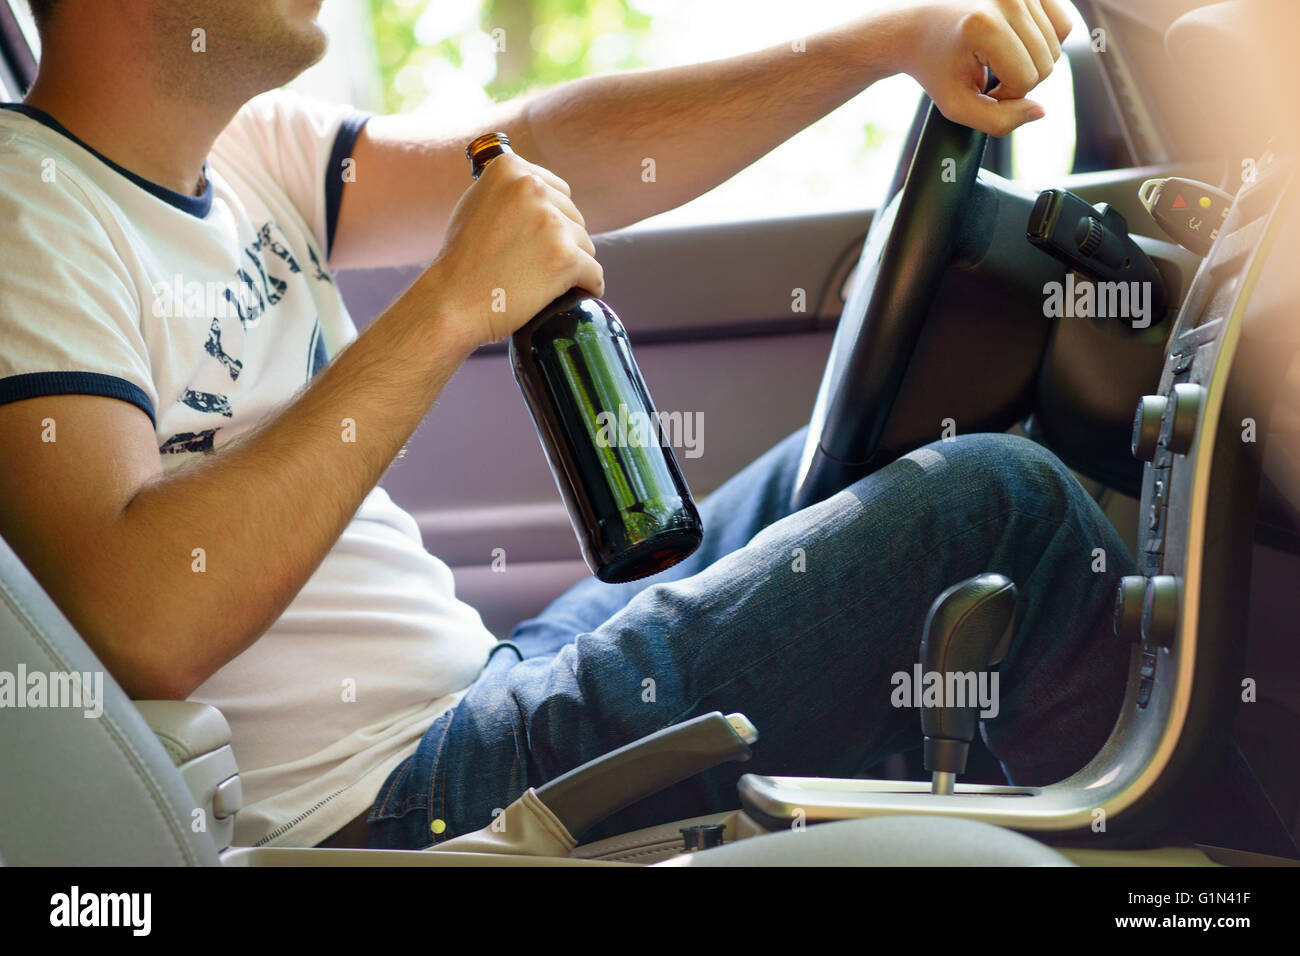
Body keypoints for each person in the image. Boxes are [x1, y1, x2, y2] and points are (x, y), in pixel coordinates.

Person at [0, 0, 1130, 851]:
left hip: (486, 687)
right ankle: (1193, 882)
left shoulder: (251, 148)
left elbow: (541, 141)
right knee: (994, 508)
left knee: (893, 448)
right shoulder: (24, 215)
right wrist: (450, 305)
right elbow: (143, 613)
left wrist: (876, 47)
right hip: (395, 803)